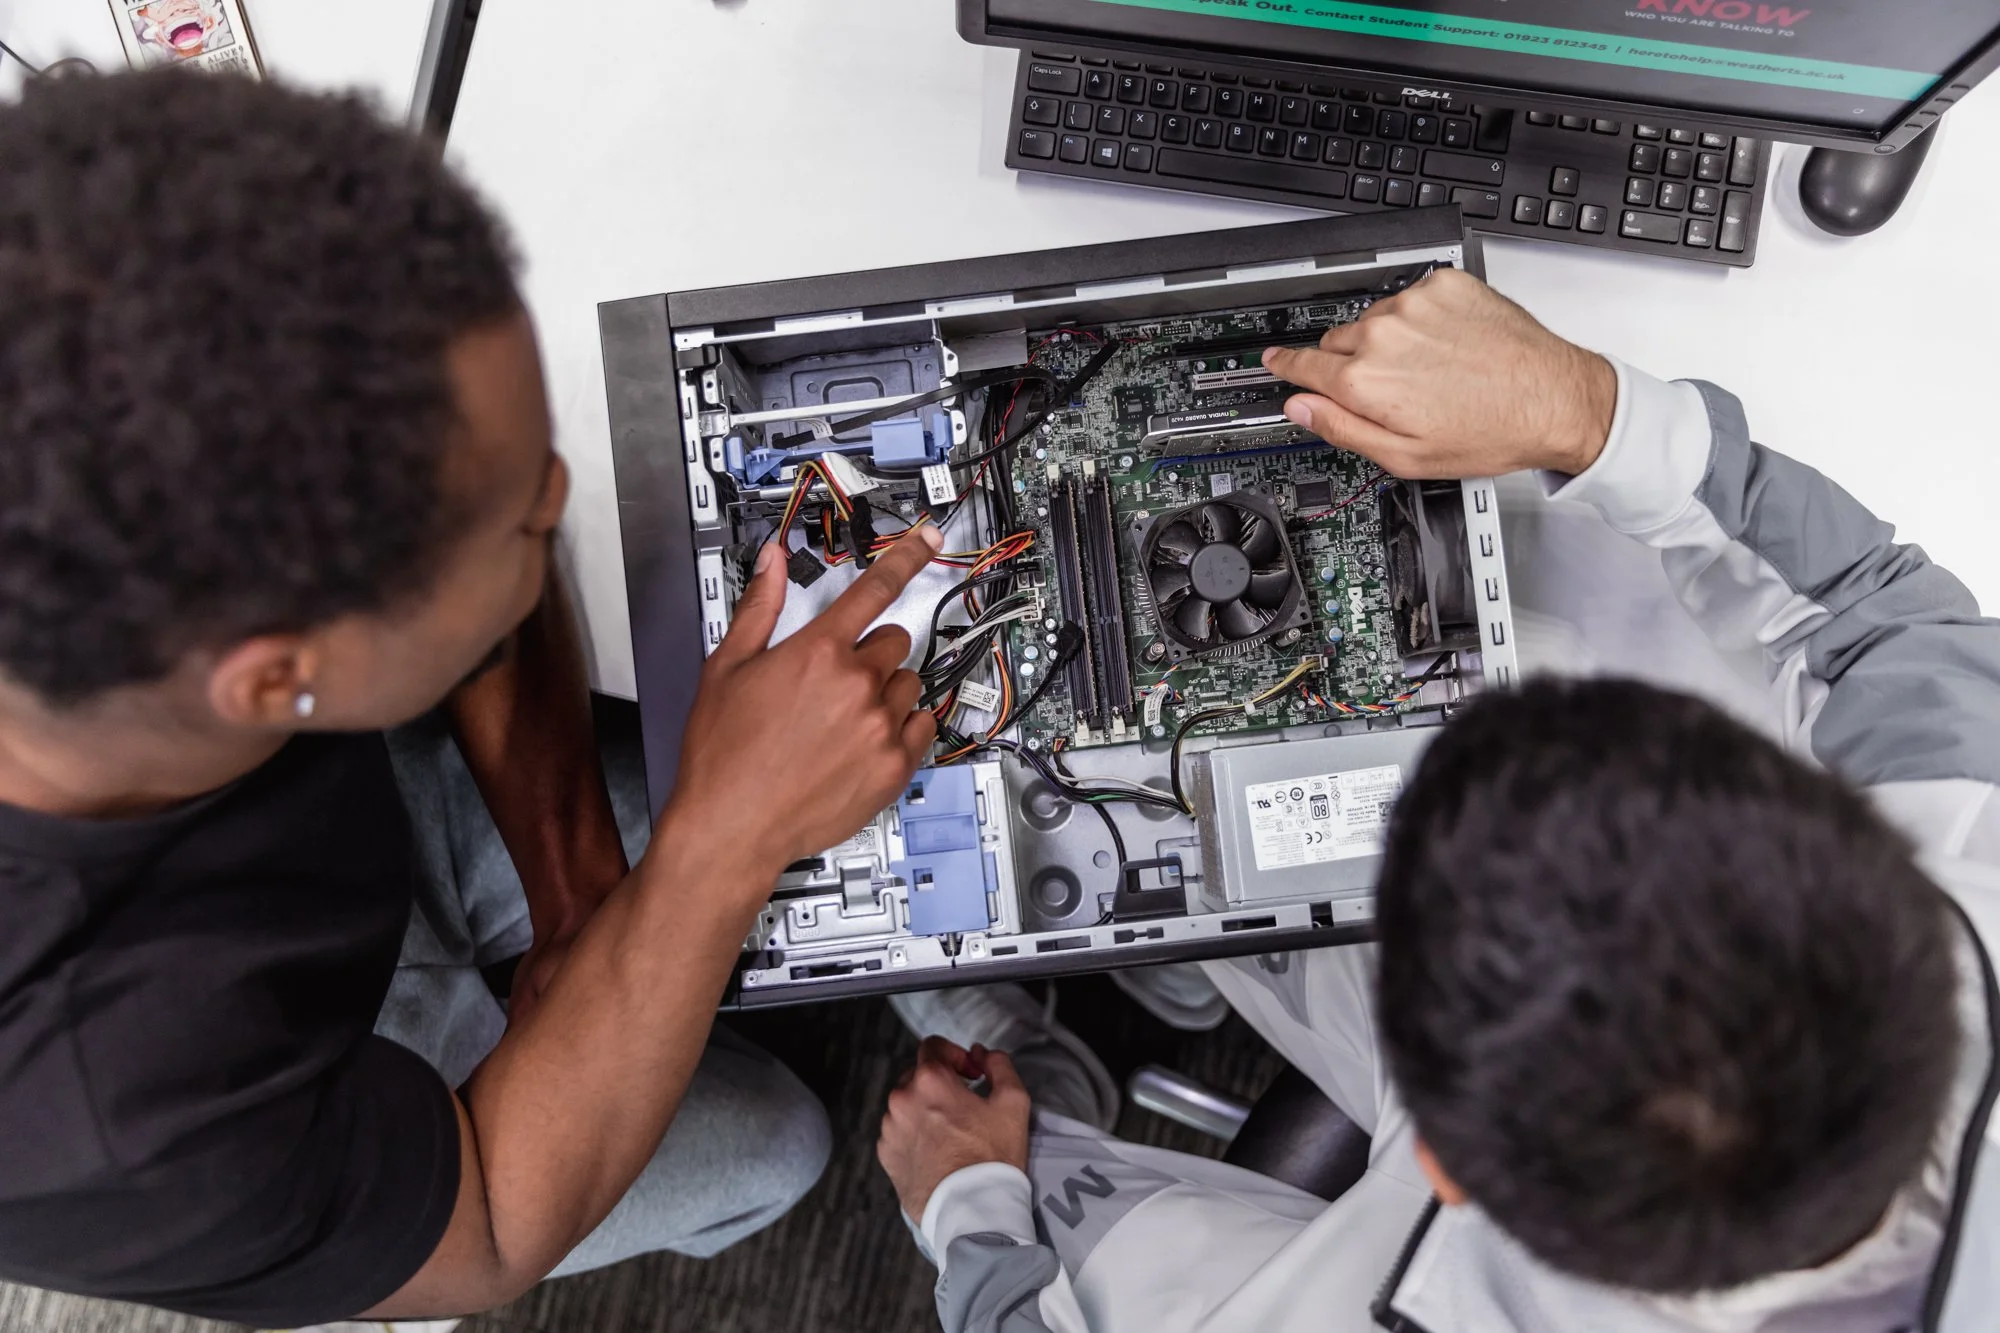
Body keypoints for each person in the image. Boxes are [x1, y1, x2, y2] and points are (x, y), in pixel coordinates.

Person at [877, 269, 1999, 1332]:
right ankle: (1168, 949)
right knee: (1192, 827)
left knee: (989, 1165)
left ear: (1448, 1165)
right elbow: (1871, 623)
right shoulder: (1973, 872)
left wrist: (968, 1208)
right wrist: (1580, 405)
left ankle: (1035, 1060)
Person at [0, 70, 946, 1325]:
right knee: (774, 1149)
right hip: (274, 1099)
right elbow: (494, 1215)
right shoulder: (103, 1124)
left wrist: (581, 900)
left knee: (838, 800)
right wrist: (721, 847)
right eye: (526, 522)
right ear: (282, 678)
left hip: (353, 799)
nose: (561, 509)